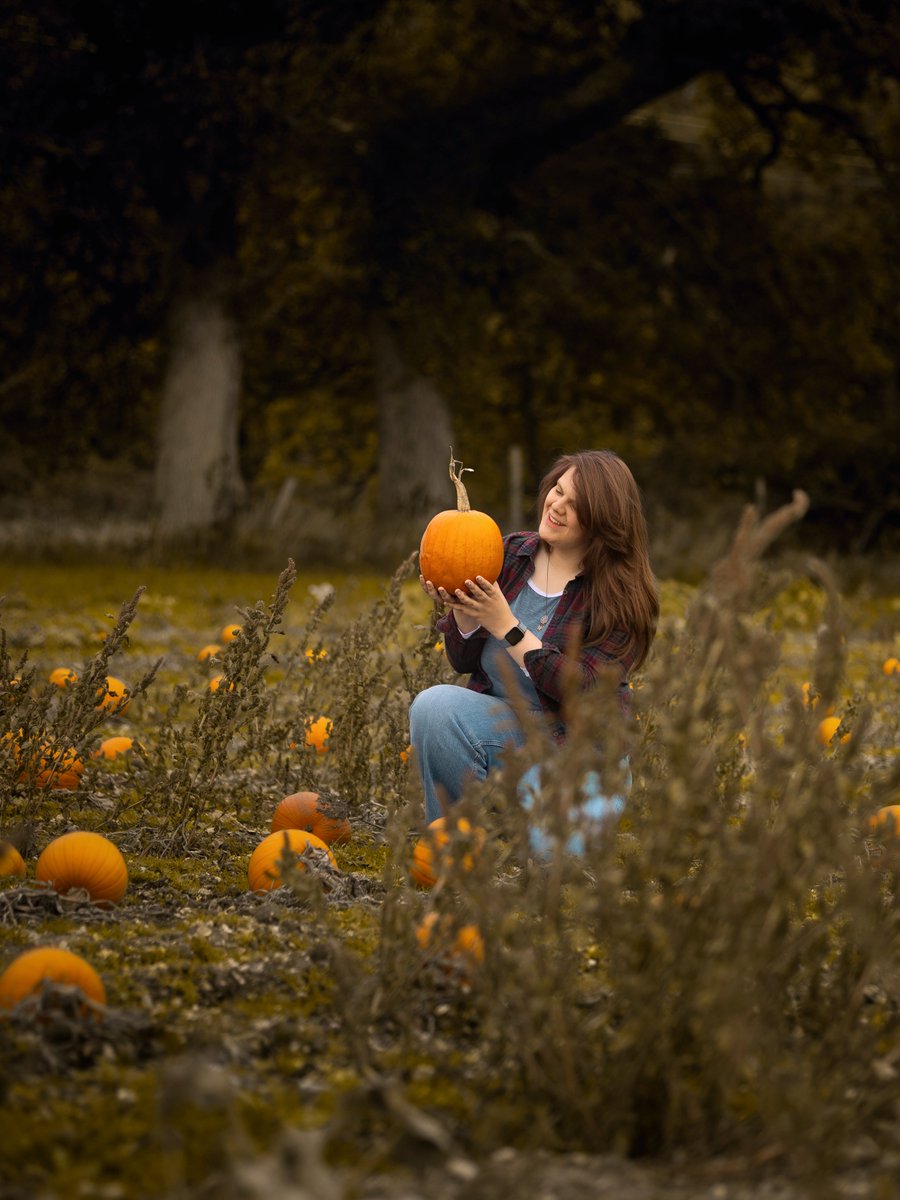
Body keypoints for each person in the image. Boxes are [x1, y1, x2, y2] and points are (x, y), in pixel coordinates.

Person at [408, 449, 658, 832]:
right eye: (558, 490)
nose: (556, 506)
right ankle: (451, 842)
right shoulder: (509, 554)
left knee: (551, 865)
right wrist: (461, 610)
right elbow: (463, 661)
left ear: (601, 522)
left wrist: (508, 626)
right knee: (434, 707)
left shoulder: (619, 597)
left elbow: (585, 690)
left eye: (575, 505)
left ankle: (538, 815)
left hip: (582, 752)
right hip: (507, 731)